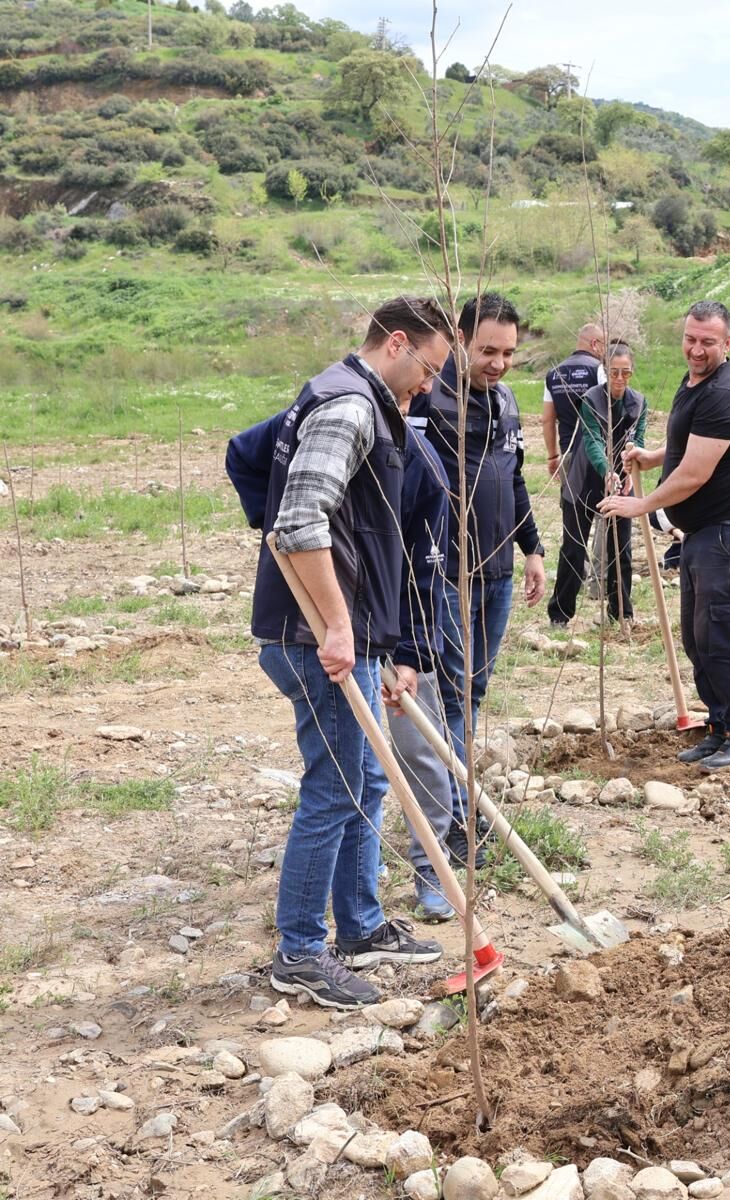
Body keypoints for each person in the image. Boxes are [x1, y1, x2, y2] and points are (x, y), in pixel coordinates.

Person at [242, 296, 452, 1009]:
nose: (429, 385)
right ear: (397, 344)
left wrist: (382, 644)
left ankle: (359, 928)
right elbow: (299, 516)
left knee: (364, 782)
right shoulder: (349, 405)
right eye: (428, 367)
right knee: (334, 789)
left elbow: (259, 469)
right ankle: (300, 951)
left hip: (350, 635)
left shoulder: (351, 397)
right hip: (316, 638)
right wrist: (337, 625)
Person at [599, 300, 730, 772]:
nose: (696, 349)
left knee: (720, 634)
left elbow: (695, 472)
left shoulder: (724, 393)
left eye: (708, 342)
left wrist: (642, 504)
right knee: (700, 638)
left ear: (727, 343)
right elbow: (685, 443)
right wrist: (653, 456)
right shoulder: (695, 381)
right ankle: (718, 727)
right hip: (704, 532)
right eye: (691, 339)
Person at [408, 293, 546, 868]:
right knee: (453, 696)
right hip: (448, 576)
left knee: (474, 693)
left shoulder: (507, 400)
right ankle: (456, 823)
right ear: (460, 340)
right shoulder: (431, 401)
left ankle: (459, 809)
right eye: (487, 350)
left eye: (509, 352)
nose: (498, 363)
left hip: (498, 574)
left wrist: (533, 547)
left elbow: (512, 478)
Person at [385, 409, 458, 923]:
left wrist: (412, 652)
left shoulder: (420, 459)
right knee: (350, 769)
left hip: (401, 622)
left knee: (420, 747)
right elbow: (246, 455)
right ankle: (355, 889)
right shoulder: (328, 413)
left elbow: (426, 576)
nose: (426, 388)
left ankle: (432, 868)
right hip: (334, 624)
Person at [578, 342, 648, 622]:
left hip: (623, 478)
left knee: (621, 548)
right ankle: (560, 614)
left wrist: (628, 469)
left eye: (626, 373)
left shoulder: (639, 402)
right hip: (587, 476)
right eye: (614, 372)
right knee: (574, 546)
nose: (620, 380)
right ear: (605, 370)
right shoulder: (591, 399)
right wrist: (607, 470)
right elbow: (593, 440)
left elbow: (638, 439)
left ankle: (621, 611)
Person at [544, 322, 608, 628]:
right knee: (608, 525)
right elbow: (610, 411)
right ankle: (604, 593)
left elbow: (547, 419)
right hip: (599, 458)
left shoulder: (554, 373)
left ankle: (560, 613)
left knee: (573, 534)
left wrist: (552, 455)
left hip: (569, 457)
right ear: (595, 344)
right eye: (604, 347)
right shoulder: (598, 370)